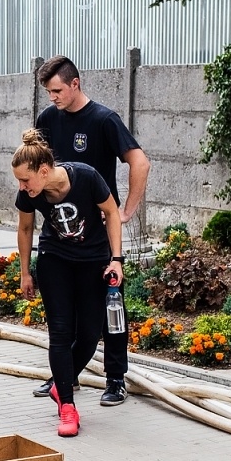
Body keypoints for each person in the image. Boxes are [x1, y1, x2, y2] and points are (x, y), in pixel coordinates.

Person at [32, 55, 150, 406]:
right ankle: (65, 376)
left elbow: (139, 161)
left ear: (75, 83)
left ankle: (116, 379)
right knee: (63, 310)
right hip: (61, 233)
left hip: (99, 234)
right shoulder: (47, 120)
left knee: (110, 307)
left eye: (56, 90)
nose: (52, 97)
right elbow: (35, 161)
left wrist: (126, 210)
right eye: (48, 92)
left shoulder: (103, 120)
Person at [13, 130, 124, 438]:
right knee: (60, 333)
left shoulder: (87, 177)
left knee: (89, 334)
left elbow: (112, 213)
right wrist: (25, 272)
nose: (22, 187)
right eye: (20, 181)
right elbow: (24, 229)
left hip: (93, 261)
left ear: (44, 171)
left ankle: (60, 384)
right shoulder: (29, 195)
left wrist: (116, 259)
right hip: (55, 260)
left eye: (25, 180)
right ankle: (68, 406)